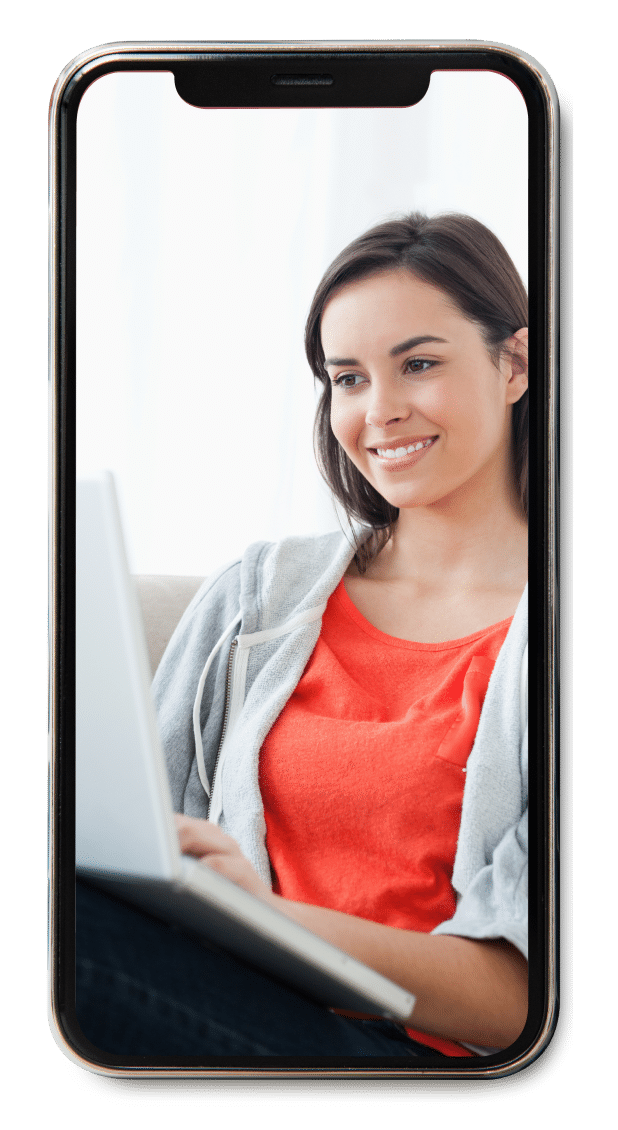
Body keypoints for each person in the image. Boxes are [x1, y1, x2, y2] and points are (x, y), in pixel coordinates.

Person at [76, 212, 529, 1060]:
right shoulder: (257, 594)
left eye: (418, 364)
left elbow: (523, 1003)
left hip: (419, 1064)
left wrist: (267, 919)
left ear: (515, 365)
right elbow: (130, 844)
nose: (379, 411)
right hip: (219, 1001)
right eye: (348, 378)